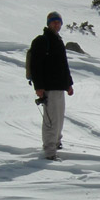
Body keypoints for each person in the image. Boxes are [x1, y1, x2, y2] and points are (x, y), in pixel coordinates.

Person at [29, 11, 74, 160]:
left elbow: (63, 65)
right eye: (54, 21)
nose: (56, 24)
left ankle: (56, 144)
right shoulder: (43, 40)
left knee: (59, 118)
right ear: (48, 23)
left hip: (59, 87)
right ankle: (49, 152)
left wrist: (68, 84)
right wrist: (39, 87)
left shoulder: (58, 41)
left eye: (59, 22)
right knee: (51, 120)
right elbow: (35, 65)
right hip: (48, 87)